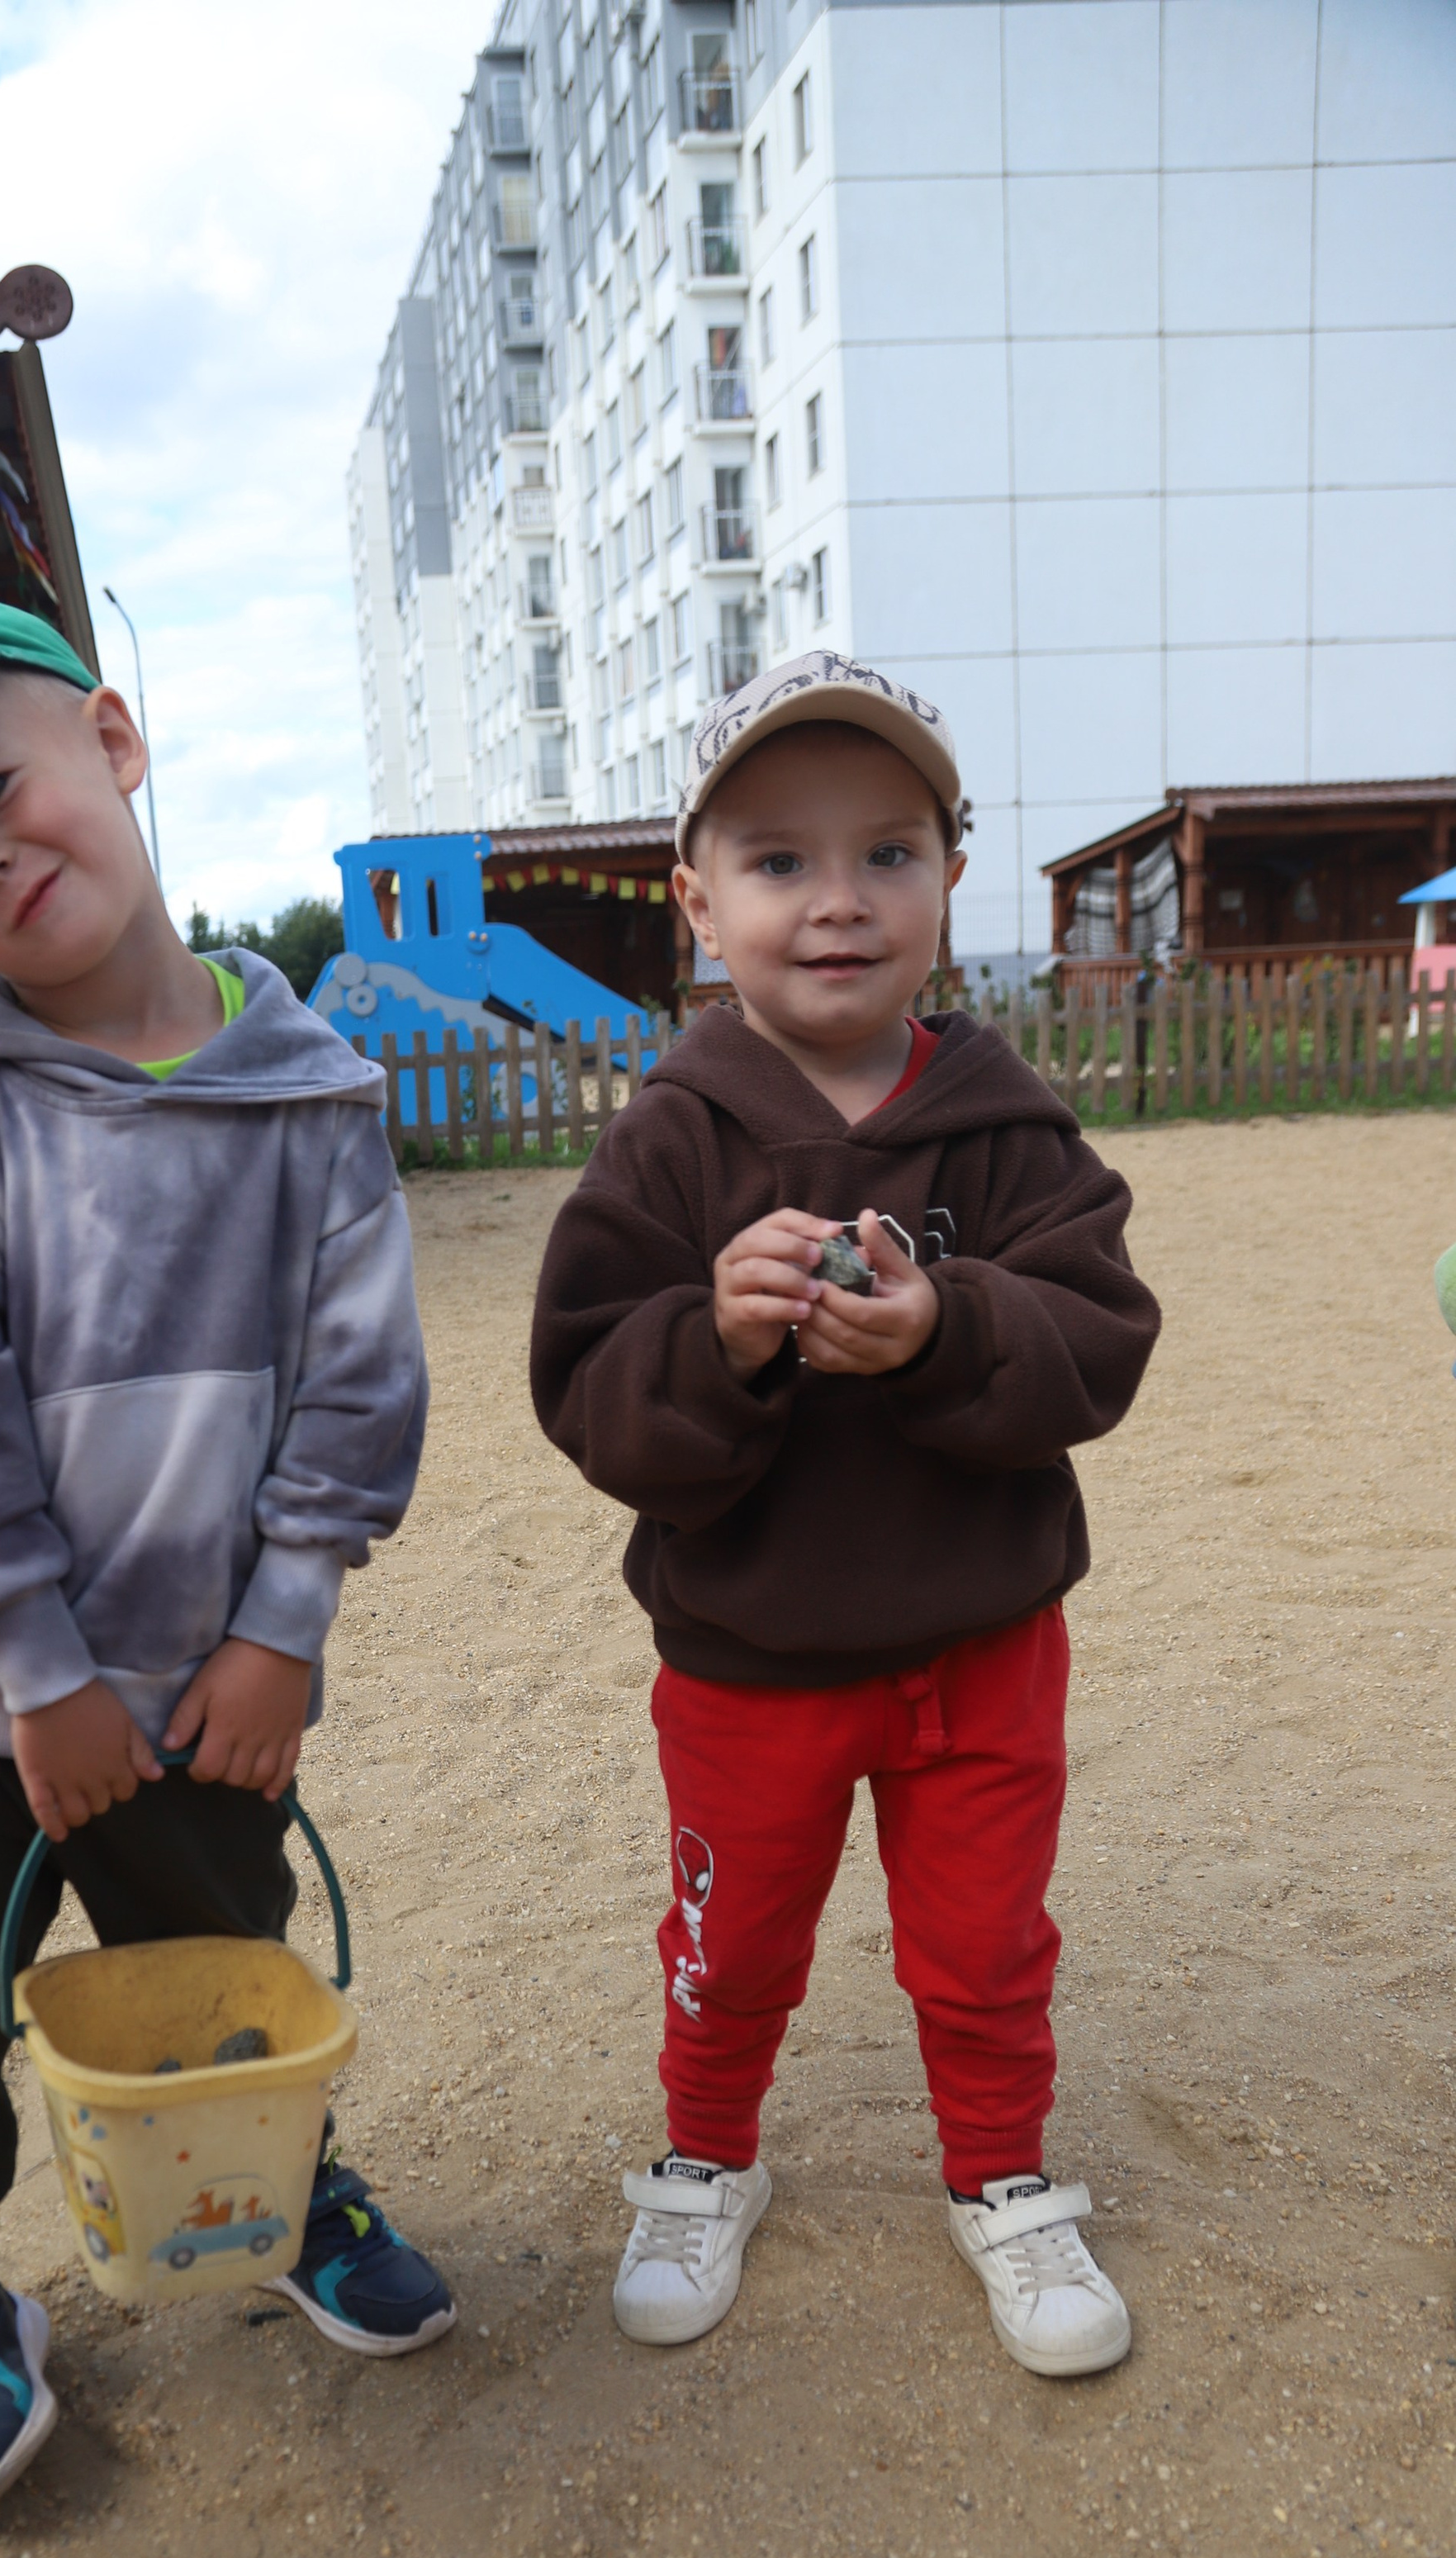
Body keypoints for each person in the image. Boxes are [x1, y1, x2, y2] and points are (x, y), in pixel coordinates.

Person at [0, 584, 454, 2522]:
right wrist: (31, 1669)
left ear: (112, 742)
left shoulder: (311, 1099)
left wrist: (284, 1624)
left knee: (222, 1968)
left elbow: (354, 1382)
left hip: (203, 1679)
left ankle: (284, 2192)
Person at [531, 652, 1160, 2373]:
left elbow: (1098, 1339)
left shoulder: (1005, 1126)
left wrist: (946, 1328)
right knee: (727, 1942)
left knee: (979, 1946)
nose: (836, 902)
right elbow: (585, 1382)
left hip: (979, 1643)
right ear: (695, 901)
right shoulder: (668, 1141)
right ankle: (703, 2154)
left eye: (887, 852)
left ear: (951, 881)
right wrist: (715, 1341)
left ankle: (1003, 2183)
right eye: (779, 861)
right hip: (747, 1656)